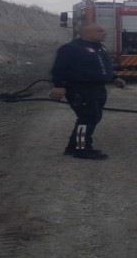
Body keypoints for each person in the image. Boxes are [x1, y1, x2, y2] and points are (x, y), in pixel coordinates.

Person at [49, 23, 126, 160]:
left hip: (97, 88)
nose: (104, 33)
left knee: (94, 117)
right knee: (87, 118)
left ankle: (73, 147)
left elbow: (103, 66)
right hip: (80, 89)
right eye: (99, 31)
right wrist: (59, 86)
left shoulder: (99, 47)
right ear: (86, 33)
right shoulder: (71, 48)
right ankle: (82, 149)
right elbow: (58, 69)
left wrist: (114, 78)